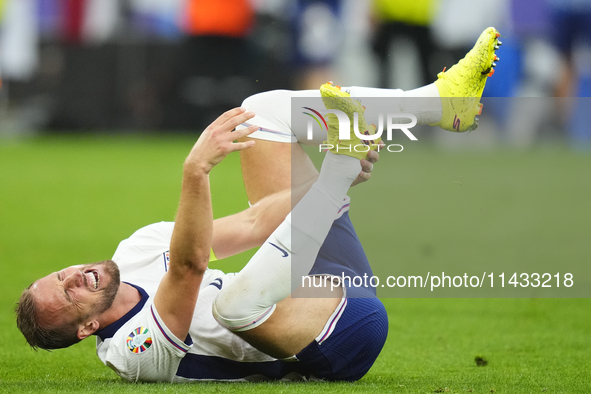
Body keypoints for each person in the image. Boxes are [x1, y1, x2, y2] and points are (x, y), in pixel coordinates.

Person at [15, 27, 501, 382]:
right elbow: (188, 267)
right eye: (70, 295)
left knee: (259, 112)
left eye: (62, 274)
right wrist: (195, 171)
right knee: (233, 305)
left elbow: (253, 224)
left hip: (326, 277)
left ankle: (437, 103)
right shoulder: (130, 352)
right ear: (88, 329)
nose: (74, 276)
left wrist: (335, 183)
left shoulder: (134, 248)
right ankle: (343, 161)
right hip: (336, 339)